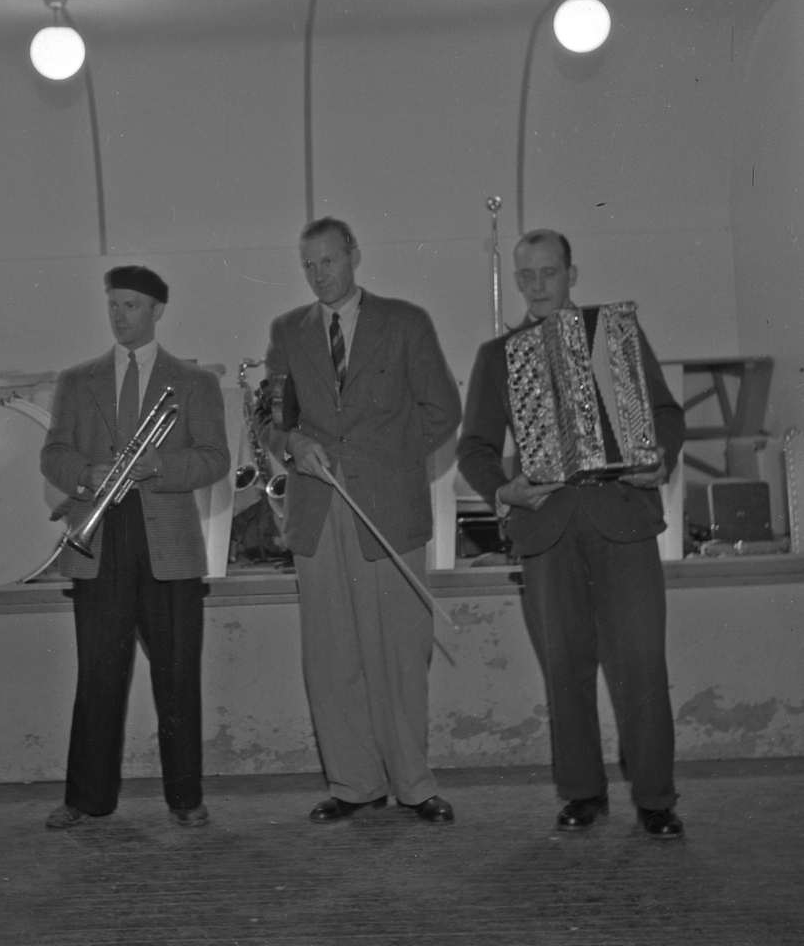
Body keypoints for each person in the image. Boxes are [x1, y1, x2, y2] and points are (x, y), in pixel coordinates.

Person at [457, 229, 686, 839]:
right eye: (525, 275)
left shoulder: (617, 335)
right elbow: (474, 449)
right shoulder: (494, 357)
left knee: (640, 661)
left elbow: (665, 414)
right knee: (565, 666)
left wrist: (658, 456)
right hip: (546, 528)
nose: (536, 286)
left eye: (548, 273)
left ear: (572, 274)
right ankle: (583, 792)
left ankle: (656, 797)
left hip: (623, 518)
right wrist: (504, 491)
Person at [261, 218, 462, 824]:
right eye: (309, 266)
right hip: (317, 511)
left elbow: (443, 411)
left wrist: (387, 465)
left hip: (389, 513)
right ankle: (354, 785)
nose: (320, 275)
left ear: (354, 257)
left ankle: (415, 784)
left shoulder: (406, 322)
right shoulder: (287, 332)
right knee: (330, 655)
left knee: (401, 652)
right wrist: (293, 445)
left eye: (329, 261)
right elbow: (270, 421)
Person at [40, 266, 229, 830]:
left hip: (166, 540)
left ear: (157, 311)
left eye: (131, 305)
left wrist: (159, 466)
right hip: (99, 536)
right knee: (97, 673)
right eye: (113, 305)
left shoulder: (194, 382)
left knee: (177, 674)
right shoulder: (77, 380)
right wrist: (85, 476)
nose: (119, 315)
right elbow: (53, 453)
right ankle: (86, 798)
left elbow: (216, 459)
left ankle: (185, 798)